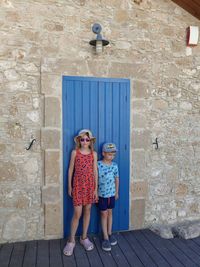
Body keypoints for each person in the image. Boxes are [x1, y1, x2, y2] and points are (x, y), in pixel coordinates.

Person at [63, 129, 98, 256]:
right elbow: (70, 169)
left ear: (90, 141)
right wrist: (69, 186)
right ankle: (71, 240)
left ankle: (84, 237)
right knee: (77, 213)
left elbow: (95, 172)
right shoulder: (75, 153)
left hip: (89, 186)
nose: (84, 141)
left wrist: (95, 189)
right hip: (78, 185)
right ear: (79, 140)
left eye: (87, 139)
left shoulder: (93, 154)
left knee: (87, 211)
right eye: (82, 139)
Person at [98, 143, 119, 251]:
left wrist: (117, 192)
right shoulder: (98, 165)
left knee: (110, 213)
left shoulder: (114, 165)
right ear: (103, 153)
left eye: (113, 154)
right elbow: (95, 179)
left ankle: (110, 233)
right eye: (109, 154)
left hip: (111, 194)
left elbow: (116, 179)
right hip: (102, 195)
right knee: (103, 214)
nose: (111, 156)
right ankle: (105, 237)